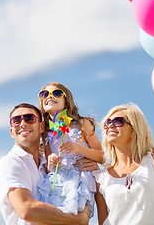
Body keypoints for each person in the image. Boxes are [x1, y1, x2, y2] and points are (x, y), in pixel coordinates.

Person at [0, 103, 90, 225]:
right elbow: (27, 210)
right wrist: (78, 220)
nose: (22, 124)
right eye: (16, 120)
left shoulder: (48, 165)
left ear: (42, 127)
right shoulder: (10, 163)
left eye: (29, 118)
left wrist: (90, 166)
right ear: (12, 132)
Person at [37, 82, 103, 218]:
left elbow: (102, 155)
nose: (50, 96)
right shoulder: (47, 133)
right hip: (58, 184)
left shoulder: (82, 124)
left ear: (66, 102)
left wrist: (78, 148)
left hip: (80, 180)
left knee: (77, 217)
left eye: (56, 93)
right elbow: (50, 169)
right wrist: (51, 162)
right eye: (44, 94)